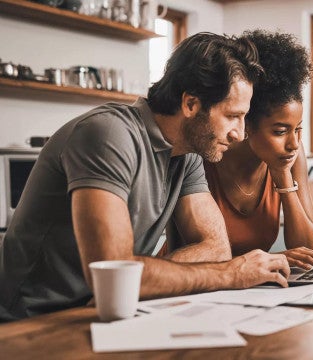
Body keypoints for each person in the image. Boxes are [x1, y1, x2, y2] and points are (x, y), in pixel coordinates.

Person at [0, 32, 290, 322]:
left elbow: (215, 248)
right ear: (191, 104)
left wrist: (142, 278)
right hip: (31, 321)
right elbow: (114, 273)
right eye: (231, 116)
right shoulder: (108, 135)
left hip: (108, 311)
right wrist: (230, 274)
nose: (239, 133)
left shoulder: (187, 153)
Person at [167, 30, 313, 271]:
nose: (293, 143)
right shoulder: (203, 154)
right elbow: (184, 251)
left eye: (298, 129)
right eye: (279, 131)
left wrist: (283, 177)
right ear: (246, 123)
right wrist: (269, 260)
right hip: (190, 283)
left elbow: (307, 247)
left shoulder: (290, 156)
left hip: (250, 288)